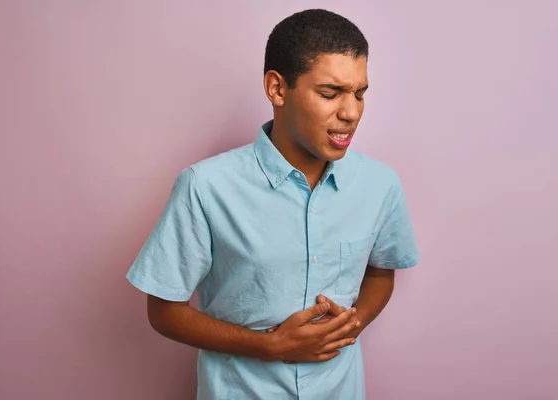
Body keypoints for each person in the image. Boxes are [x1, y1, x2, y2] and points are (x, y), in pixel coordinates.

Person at [126, 8, 421, 400]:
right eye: (330, 93)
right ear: (277, 89)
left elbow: (381, 274)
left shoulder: (380, 185)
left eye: (360, 93)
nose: (350, 112)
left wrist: (353, 323)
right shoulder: (206, 186)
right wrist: (271, 346)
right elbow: (163, 311)